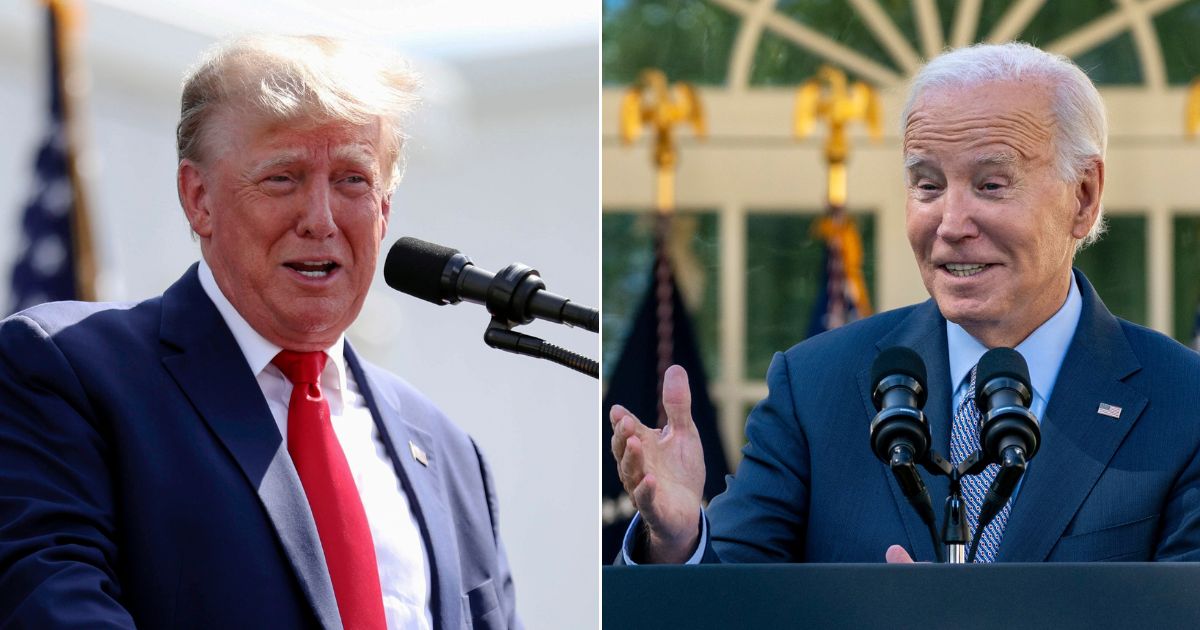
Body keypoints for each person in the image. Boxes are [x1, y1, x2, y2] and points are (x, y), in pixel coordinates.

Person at [0, 35, 520, 629]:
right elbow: (51, 606)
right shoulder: (68, 371)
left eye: (352, 179)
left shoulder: (450, 453)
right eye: (283, 178)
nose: (320, 220)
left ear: (384, 210)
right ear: (198, 199)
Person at [611, 42, 1200, 565]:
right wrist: (681, 541)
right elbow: (727, 606)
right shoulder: (816, 387)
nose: (951, 223)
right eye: (928, 184)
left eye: (991, 185)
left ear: (1084, 197)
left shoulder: (1185, 404)